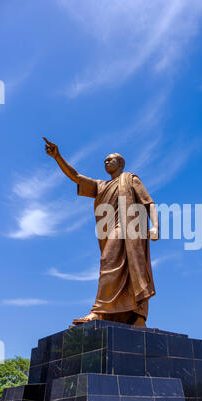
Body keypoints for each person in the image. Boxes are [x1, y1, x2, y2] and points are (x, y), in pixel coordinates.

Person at [43, 137, 159, 327]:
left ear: (120, 163)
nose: (106, 162)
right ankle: (120, 314)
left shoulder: (130, 179)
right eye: (104, 160)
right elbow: (76, 177)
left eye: (110, 159)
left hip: (130, 229)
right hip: (112, 229)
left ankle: (106, 312)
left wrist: (155, 226)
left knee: (115, 265)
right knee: (112, 265)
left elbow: (149, 203)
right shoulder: (101, 186)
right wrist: (58, 157)